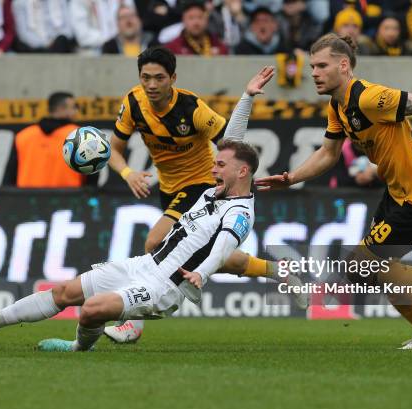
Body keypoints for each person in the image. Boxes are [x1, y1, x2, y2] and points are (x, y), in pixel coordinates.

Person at [255, 33, 412, 350]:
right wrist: (291, 178)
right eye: (312, 67)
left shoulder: (369, 98)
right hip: (396, 194)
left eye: (321, 66)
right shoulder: (338, 105)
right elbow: (328, 154)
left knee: (360, 267)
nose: (314, 73)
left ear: (343, 65)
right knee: (378, 271)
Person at [0, 136, 261, 352]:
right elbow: (233, 137)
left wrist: (202, 274)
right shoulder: (213, 192)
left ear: (242, 171)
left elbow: (222, 247)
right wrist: (247, 96)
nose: (213, 168)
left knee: (91, 310)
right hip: (145, 264)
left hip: (165, 287)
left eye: (220, 165)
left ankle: (78, 347)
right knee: (64, 292)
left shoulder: (239, 212)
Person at [105, 53, 307, 342]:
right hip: (169, 189)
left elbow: (230, 144)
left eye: (159, 78)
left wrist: (246, 100)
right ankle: (278, 271)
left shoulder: (192, 108)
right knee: (203, 254)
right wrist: (128, 173)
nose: (151, 84)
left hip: (201, 186)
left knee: (154, 243)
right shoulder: (133, 103)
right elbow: (113, 149)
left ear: (173, 79)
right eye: (145, 77)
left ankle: (133, 323)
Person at [12, 92, 85, 188]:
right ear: (61, 109)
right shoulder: (81, 136)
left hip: (27, 198)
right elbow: (92, 175)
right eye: (74, 107)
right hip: (69, 198)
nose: (76, 112)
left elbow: (12, 174)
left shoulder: (23, 135)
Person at [163, 0, 228, 56]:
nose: (196, 23)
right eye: (191, 18)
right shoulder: (173, 48)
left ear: (207, 20)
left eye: (200, 17)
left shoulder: (218, 45)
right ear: (183, 20)